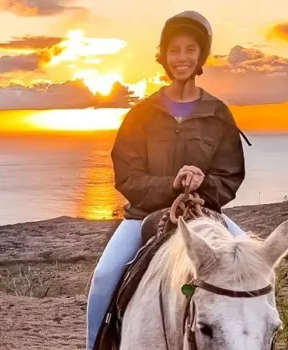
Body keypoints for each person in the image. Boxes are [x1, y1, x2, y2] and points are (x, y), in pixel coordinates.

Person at [84, 10, 251, 349]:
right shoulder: (142, 114)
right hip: (143, 217)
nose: (182, 58)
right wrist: (172, 185)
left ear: (201, 56)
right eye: (174, 50)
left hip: (205, 213)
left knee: (255, 270)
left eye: (191, 49)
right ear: (163, 56)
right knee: (103, 277)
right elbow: (128, 176)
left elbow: (230, 173)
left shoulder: (218, 113)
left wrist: (202, 187)